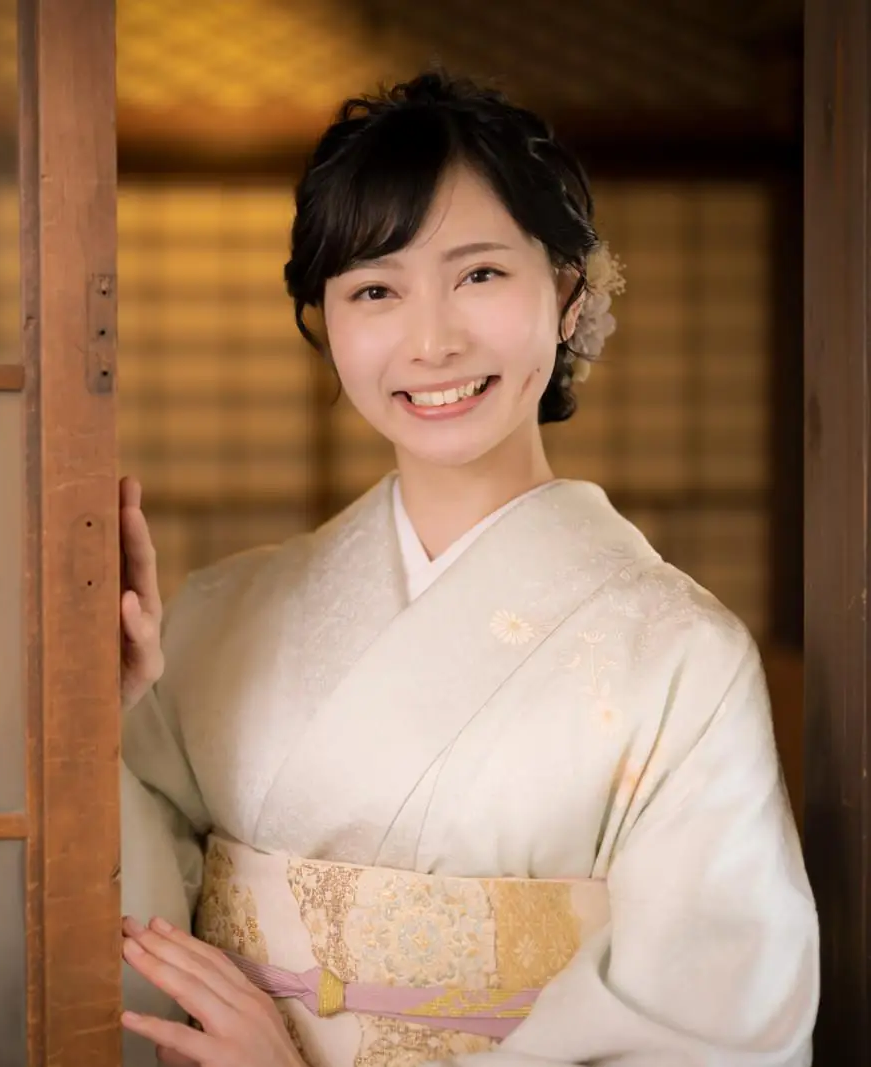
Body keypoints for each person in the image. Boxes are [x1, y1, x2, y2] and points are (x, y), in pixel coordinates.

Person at [116, 71, 818, 1067]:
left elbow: (710, 1027)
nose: (432, 339)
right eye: (374, 289)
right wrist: (101, 712)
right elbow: (109, 914)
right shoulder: (221, 613)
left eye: (479, 275)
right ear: (326, 326)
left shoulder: (679, 657)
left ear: (568, 294)